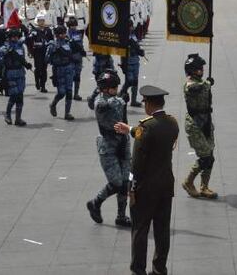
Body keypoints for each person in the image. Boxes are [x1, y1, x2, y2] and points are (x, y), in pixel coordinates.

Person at [112, 85, 179, 275]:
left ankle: (138, 270)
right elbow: (153, 136)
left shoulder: (146, 127)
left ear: (149, 104)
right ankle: (159, 269)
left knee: (140, 230)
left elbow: (136, 164)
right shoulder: (172, 123)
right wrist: (130, 129)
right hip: (165, 185)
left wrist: (131, 187)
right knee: (162, 230)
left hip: (146, 189)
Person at [86, 70, 131, 227]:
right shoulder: (100, 101)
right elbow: (103, 106)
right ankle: (96, 202)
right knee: (116, 182)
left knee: (126, 181)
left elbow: (123, 119)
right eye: (114, 87)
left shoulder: (116, 99)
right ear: (105, 89)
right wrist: (121, 100)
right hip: (108, 145)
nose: (116, 90)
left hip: (122, 141)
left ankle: (121, 216)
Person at [180, 53, 217, 199]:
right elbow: (195, 89)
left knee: (210, 156)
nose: (201, 70)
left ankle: (204, 187)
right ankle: (188, 182)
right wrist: (207, 83)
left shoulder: (201, 82)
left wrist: (206, 83)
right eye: (198, 68)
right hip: (194, 124)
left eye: (201, 68)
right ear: (191, 71)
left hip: (206, 121)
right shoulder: (190, 84)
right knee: (205, 157)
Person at [0, 28, 29, 126]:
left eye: (17, 37)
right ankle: (7, 114)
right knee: (14, 95)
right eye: (13, 37)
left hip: (20, 73)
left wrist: (27, 64)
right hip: (10, 73)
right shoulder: (4, 48)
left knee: (20, 96)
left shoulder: (21, 47)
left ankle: (18, 118)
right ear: (9, 38)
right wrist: (6, 55)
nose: (15, 39)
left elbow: (22, 59)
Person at [47, 25, 75, 120]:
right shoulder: (52, 45)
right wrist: (54, 52)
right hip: (59, 70)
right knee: (61, 92)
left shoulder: (67, 42)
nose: (63, 35)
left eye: (64, 33)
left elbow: (71, 54)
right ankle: (53, 104)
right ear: (57, 35)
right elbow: (46, 59)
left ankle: (67, 113)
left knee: (69, 91)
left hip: (68, 68)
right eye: (61, 34)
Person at [29, 12, 53, 93]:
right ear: (37, 21)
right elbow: (29, 41)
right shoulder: (34, 30)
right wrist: (31, 50)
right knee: (38, 68)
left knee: (44, 69)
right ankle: (37, 81)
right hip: (37, 52)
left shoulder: (48, 30)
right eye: (40, 21)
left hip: (45, 52)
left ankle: (43, 85)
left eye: (43, 20)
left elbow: (51, 40)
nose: (41, 22)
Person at [66, 16, 87, 101]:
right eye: (72, 25)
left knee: (77, 76)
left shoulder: (78, 33)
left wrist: (83, 50)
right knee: (70, 76)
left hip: (78, 57)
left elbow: (80, 43)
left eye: (75, 25)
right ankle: (69, 93)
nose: (74, 27)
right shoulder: (66, 34)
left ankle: (76, 94)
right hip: (70, 58)